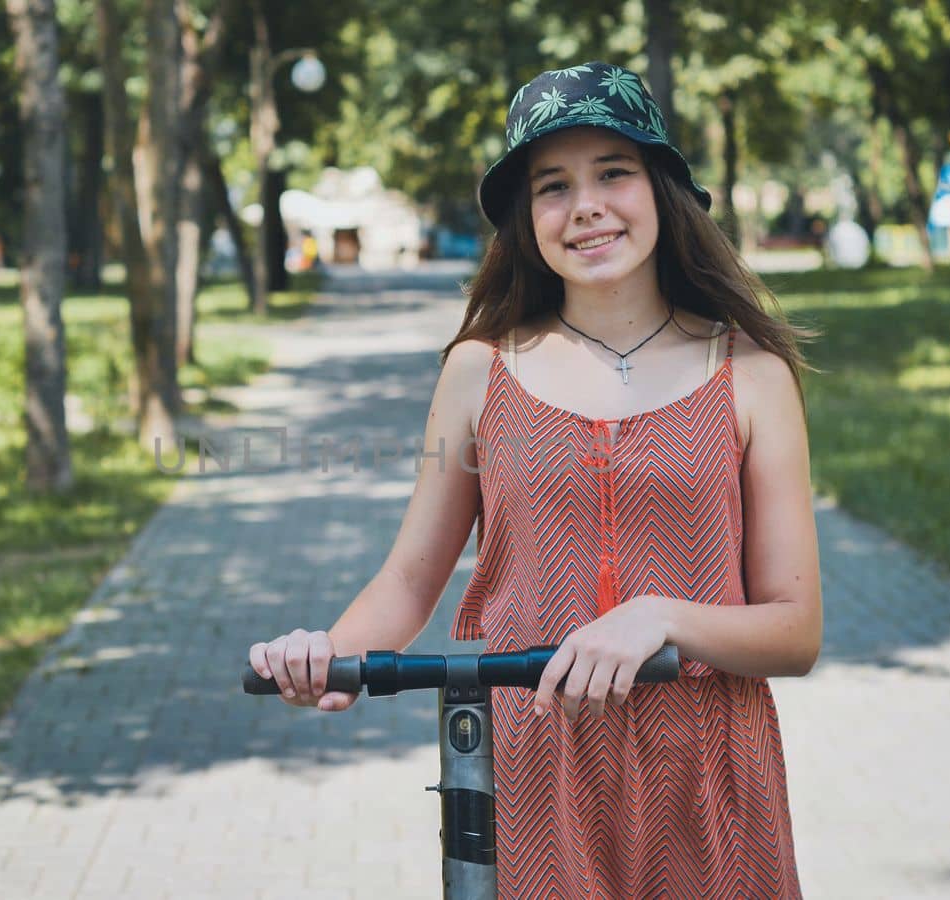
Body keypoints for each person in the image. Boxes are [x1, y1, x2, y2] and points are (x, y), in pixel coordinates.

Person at [248, 61, 820, 898]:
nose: (585, 204)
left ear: (661, 188)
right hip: (531, 770)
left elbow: (794, 630)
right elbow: (410, 581)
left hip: (707, 772)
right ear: (527, 218)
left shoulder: (751, 375)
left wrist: (659, 616)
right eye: (553, 186)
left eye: (613, 173)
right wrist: (324, 655)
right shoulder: (481, 373)